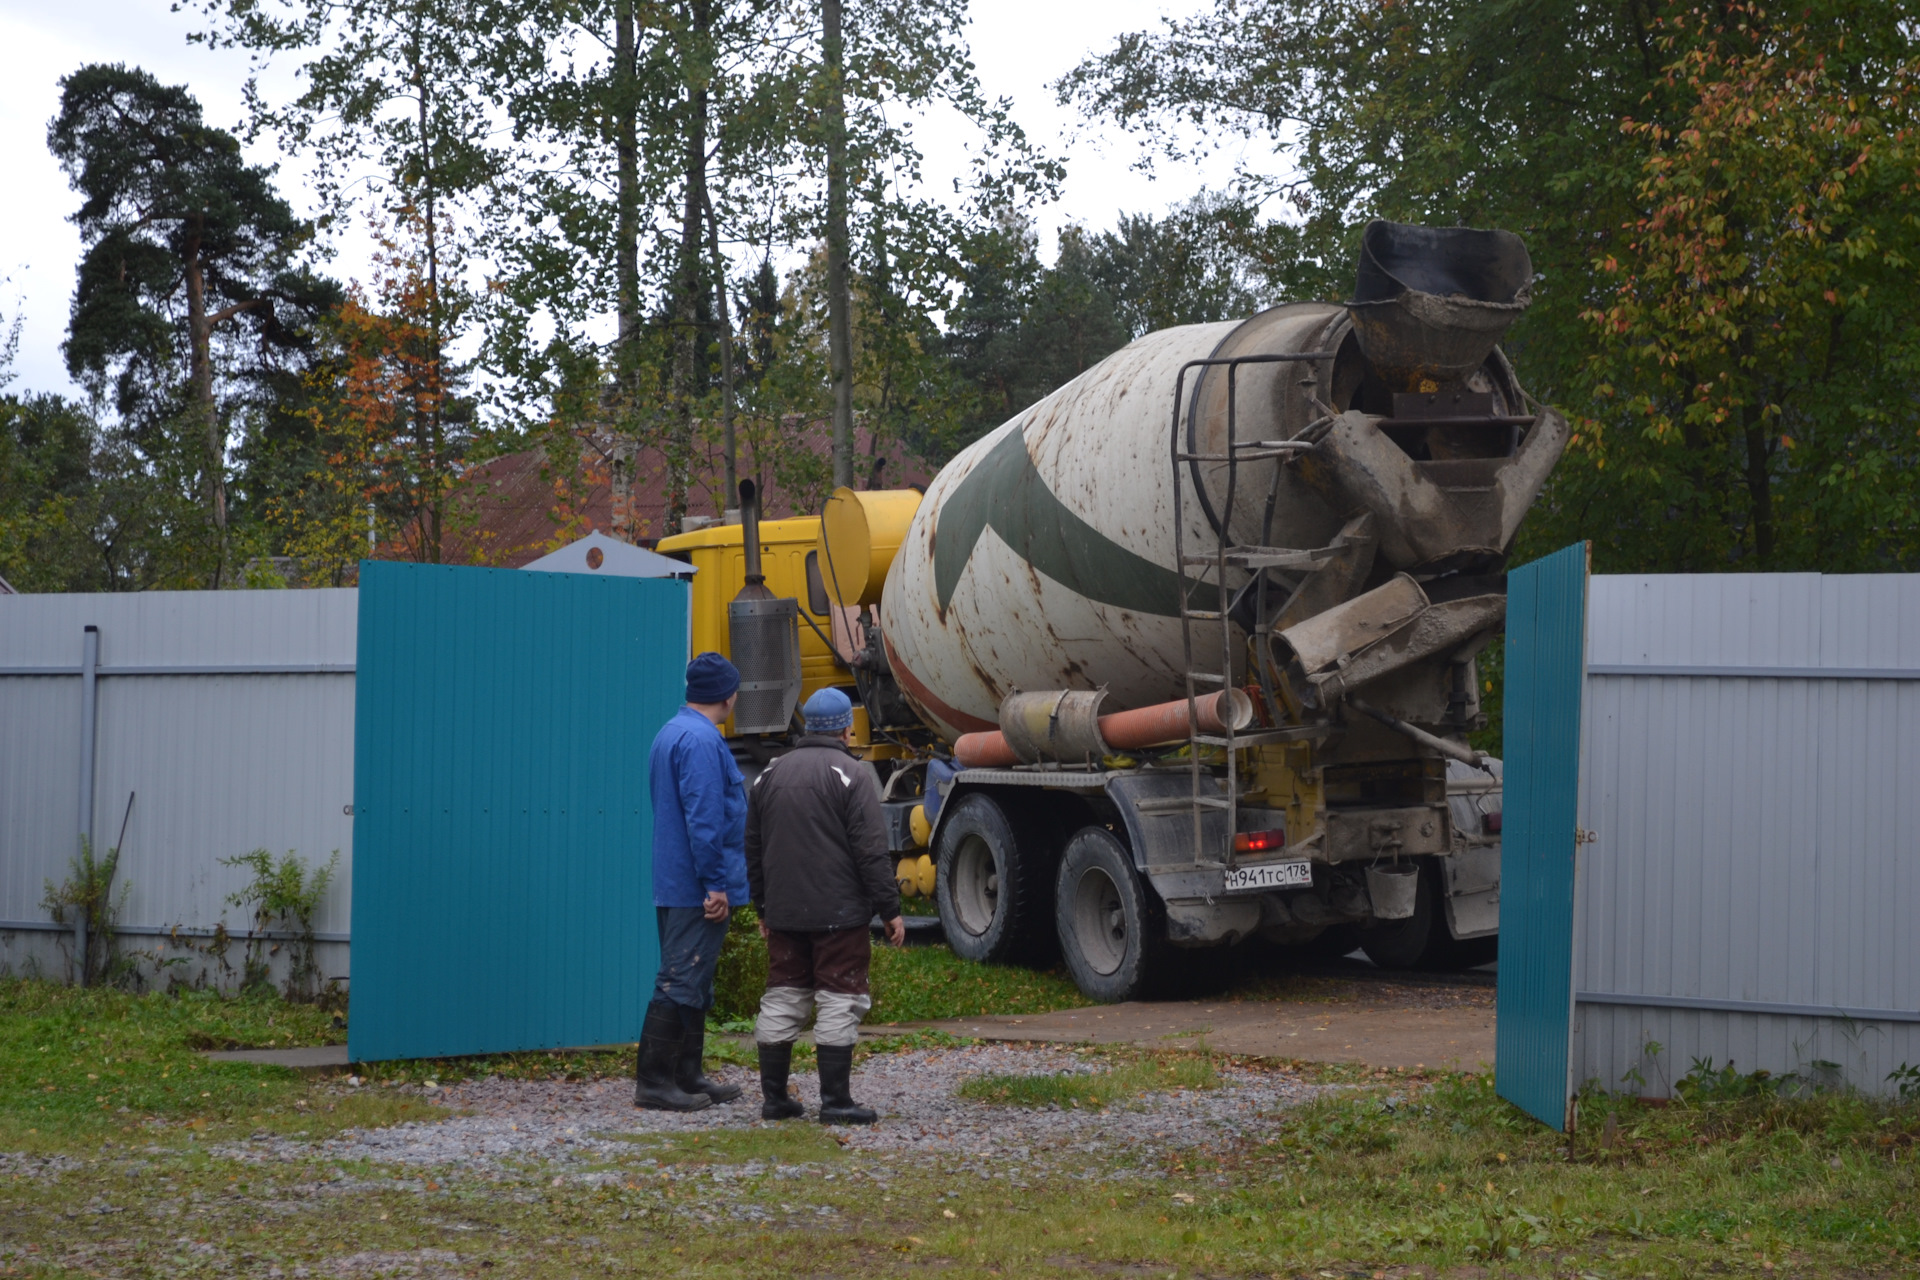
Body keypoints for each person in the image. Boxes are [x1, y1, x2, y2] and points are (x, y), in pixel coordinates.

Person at [745, 687, 906, 1124]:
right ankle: (835, 1102)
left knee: (782, 996)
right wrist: (889, 909)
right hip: (839, 915)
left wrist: (763, 907)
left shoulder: (769, 775)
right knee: (839, 997)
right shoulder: (852, 775)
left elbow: (753, 848)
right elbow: (871, 852)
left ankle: (775, 1099)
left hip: (783, 911)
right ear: (845, 730)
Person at [637, 651, 751, 1111]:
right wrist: (716, 885)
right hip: (696, 886)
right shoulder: (703, 742)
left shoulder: (671, 732)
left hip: (674, 880)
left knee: (694, 981)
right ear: (728, 695)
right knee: (679, 980)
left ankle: (688, 1075)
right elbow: (706, 820)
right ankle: (655, 1083)